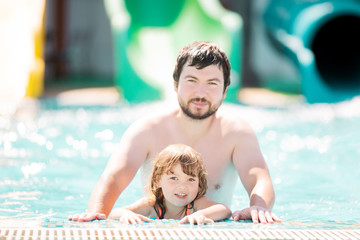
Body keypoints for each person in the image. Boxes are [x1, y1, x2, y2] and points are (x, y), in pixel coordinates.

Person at [69, 41, 280, 224]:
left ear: (225, 90)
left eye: (212, 83)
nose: (200, 93)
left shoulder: (237, 133)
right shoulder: (147, 130)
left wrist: (259, 207)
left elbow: (258, 179)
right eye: (192, 81)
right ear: (176, 84)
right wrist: (96, 214)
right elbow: (114, 178)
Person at [109, 144, 231, 225]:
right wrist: (127, 215)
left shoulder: (196, 205)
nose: (183, 186)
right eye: (174, 178)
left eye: (191, 179)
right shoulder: (152, 205)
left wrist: (201, 214)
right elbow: (115, 213)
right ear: (157, 180)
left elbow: (224, 210)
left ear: (200, 184)